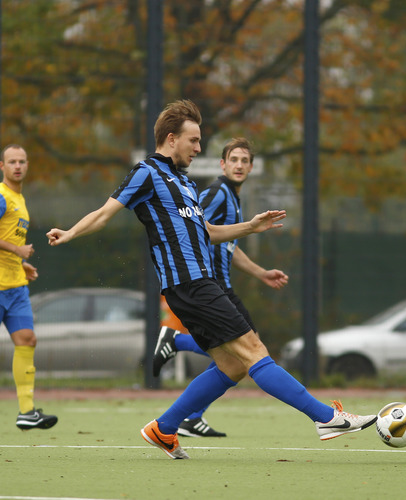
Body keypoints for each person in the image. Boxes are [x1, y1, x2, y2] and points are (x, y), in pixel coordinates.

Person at [46, 100, 376, 459]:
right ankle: (327, 418)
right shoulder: (146, 173)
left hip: (199, 284)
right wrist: (70, 233)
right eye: (194, 140)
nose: (199, 148)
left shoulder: (185, 184)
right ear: (171, 139)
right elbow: (104, 213)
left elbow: (206, 231)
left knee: (233, 366)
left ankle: (164, 428)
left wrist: (250, 226)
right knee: (254, 352)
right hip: (189, 284)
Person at [152, 137, 289, 438]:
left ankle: (186, 413)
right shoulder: (216, 193)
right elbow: (200, 232)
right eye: (234, 159)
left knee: (240, 355)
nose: (239, 165)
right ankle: (176, 346)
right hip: (211, 285)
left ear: (251, 166)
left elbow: (227, 242)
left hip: (219, 283)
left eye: (244, 160)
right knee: (249, 352)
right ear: (222, 164)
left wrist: (261, 273)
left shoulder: (232, 196)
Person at [0, 144, 58, 430]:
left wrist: (21, 264)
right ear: (2, 166)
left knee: (27, 340)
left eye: (22, 161)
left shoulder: (20, 200)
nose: (18, 166)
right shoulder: (1, 196)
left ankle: (26, 412)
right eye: (12, 161)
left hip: (16, 287)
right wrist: (17, 250)